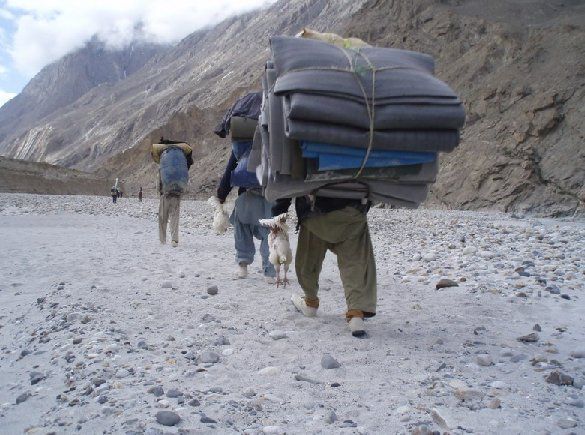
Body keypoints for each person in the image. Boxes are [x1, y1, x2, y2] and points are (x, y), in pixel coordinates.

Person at [271, 195, 376, 338]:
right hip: (353, 213)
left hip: (315, 214)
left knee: (308, 261)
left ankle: (310, 302)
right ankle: (356, 314)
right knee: (355, 263)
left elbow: (287, 182)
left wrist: (278, 215)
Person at [215, 151, 276, 282]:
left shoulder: (242, 145)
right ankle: (269, 272)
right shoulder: (276, 141)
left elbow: (230, 171)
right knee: (270, 233)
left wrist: (222, 194)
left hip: (247, 196)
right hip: (271, 197)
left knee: (242, 228)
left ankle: (243, 265)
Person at [154, 138, 193, 247]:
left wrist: (159, 193)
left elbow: (159, 182)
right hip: (177, 195)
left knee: (163, 218)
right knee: (175, 217)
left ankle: (162, 240)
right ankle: (174, 240)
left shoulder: (163, 167)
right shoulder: (180, 165)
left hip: (165, 195)